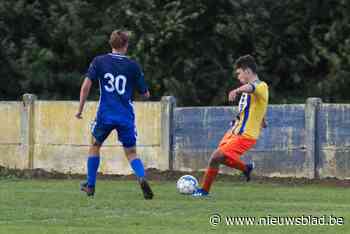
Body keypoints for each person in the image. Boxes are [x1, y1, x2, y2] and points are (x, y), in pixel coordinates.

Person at [75, 30, 153, 199]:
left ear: (111, 44)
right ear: (126, 45)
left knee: (95, 145)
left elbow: (86, 86)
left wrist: (80, 110)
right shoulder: (133, 66)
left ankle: (90, 185)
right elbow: (145, 93)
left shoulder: (99, 61)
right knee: (131, 152)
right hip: (125, 115)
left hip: (105, 114)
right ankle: (141, 177)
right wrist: (140, 93)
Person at [193, 54, 269, 197]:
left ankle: (204, 191)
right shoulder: (248, 91)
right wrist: (262, 118)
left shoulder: (261, 85)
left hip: (246, 135)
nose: (238, 77)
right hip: (234, 131)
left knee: (216, 156)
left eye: (239, 73)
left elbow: (254, 88)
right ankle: (245, 169)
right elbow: (256, 105)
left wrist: (236, 90)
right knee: (217, 159)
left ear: (247, 71)